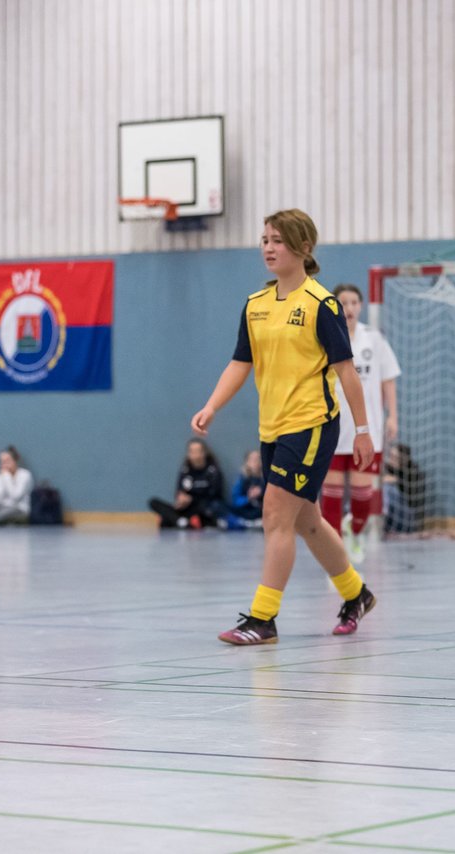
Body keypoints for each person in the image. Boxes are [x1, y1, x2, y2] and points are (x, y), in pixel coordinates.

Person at [191, 208, 377, 644]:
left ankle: (263, 617)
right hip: (272, 426)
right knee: (305, 521)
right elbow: (241, 362)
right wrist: (212, 405)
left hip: (311, 424)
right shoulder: (255, 305)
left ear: (304, 248)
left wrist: (364, 429)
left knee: (275, 513)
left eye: (277, 240)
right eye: (265, 239)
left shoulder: (321, 304)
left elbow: (346, 371)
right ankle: (357, 594)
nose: (268, 247)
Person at [319, 283, 401, 562]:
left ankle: (354, 530)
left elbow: (388, 378)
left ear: (361, 306)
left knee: (363, 496)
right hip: (332, 428)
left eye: (354, 302)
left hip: (366, 430)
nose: (349, 308)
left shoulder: (374, 339)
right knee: (330, 495)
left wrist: (393, 416)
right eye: (343, 302)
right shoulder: (326, 338)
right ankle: (336, 556)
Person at [148, 439, 225, 529]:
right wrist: (181, 500)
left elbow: (214, 494)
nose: (195, 455)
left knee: (206, 509)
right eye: (191, 451)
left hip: (203, 506)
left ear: (204, 453)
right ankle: (180, 521)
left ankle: (180, 521)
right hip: (186, 507)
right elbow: (179, 490)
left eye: (197, 451)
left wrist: (192, 499)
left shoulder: (212, 470)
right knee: (153, 502)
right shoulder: (185, 470)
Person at [382, 442, 425, 534]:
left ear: (402, 459)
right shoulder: (388, 468)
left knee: (388, 489)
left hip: (408, 520)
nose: (391, 459)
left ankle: (382, 515)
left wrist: (394, 480)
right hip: (393, 520)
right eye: (391, 456)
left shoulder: (412, 472)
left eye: (394, 457)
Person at [222, 449, 265, 529]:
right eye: (252, 459)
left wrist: (261, 491)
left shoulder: (266, 478)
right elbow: (236, 500)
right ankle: (244, 522)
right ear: (247, 462)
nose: (256, 462)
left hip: (260, 510)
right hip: (245, 509)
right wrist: (248, 498)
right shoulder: (243, 478)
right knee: (225, 508)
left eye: (258, 459)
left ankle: (255, 522)